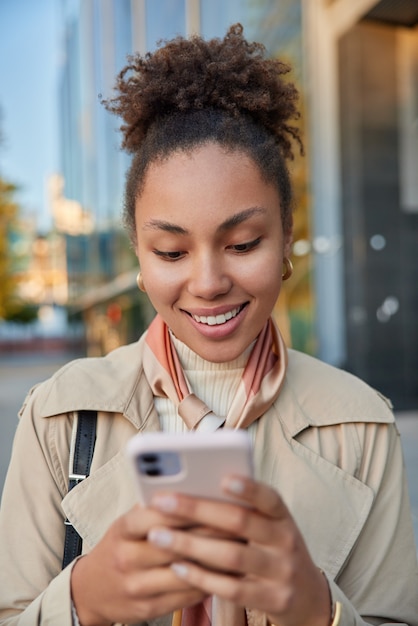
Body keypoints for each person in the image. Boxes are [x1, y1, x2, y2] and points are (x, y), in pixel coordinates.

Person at [0, 23, 417, 626]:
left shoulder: (362, 426)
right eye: (171, 252)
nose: (207, 281)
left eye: (243, 242)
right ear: (140, 262)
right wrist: (81, 600)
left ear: (286, 244)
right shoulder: (60, 416)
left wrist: (316, 609)